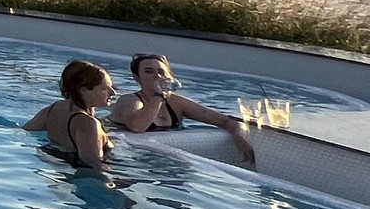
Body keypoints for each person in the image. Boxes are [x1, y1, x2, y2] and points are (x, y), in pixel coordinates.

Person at [112, 53, 256, 166]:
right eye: (149, 71)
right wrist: (158, 95)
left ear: (169, 77)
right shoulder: (129, 100)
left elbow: (226, 120)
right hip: (126, 156)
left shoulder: (176, 103)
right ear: (137, 78)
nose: (157, 76)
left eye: (162, 72)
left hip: (159, 158)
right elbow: (138, 127)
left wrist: (239, 137)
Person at [25, 60, 118, 172]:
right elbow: (94, 164)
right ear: (83, 90)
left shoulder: (53, 109)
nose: (113, 92)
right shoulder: (88, 124)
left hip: (59, 168)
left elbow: (24, 131)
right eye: (104, 89)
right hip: (83, 173)